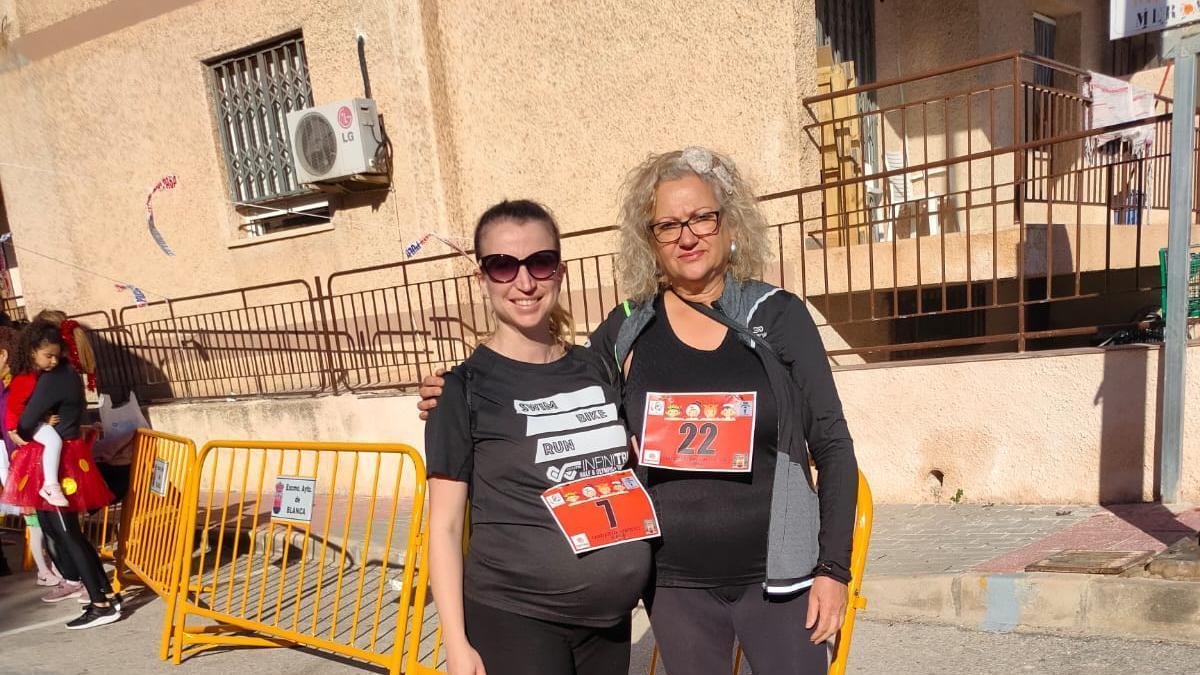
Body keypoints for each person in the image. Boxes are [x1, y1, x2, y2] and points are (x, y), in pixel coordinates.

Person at [420, 147, 859, 674]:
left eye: (701, 217)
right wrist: (447, 391)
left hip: (781, 580)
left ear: (729, 220)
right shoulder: (627, 328)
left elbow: (832, 444)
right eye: (667, 225)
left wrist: (833, 568)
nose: (687, 236)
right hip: (674, 588)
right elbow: (554, 384)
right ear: (649, 240)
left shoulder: (779, 317)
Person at [425, 200, 654, 675]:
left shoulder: (597, 367)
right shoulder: (463, 390)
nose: (524, 282)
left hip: (608, 623)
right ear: (481, 278)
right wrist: (456, 644)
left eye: (540, 263)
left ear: (560, 272)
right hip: (517, 616)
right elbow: (445, 528)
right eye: (503, 266)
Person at [0, 320, 119, 628]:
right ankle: (102, 593)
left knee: (68, 534)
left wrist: (23, 428)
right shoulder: (59, 373)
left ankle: (101, 603)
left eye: (53, 354)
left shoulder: (54, 377)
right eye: (46, 355)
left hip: (61, 461)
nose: (50, 360)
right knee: (65, 532)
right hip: (59, 457)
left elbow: (25, 422)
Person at [0, 325, 62, 586]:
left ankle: (53, 571)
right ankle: (47, 571)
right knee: (38, 527)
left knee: (41, 526)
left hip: (24, 471)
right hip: (22, 472)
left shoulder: (13, 386)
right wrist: (10, 483)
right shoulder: (9, 391)